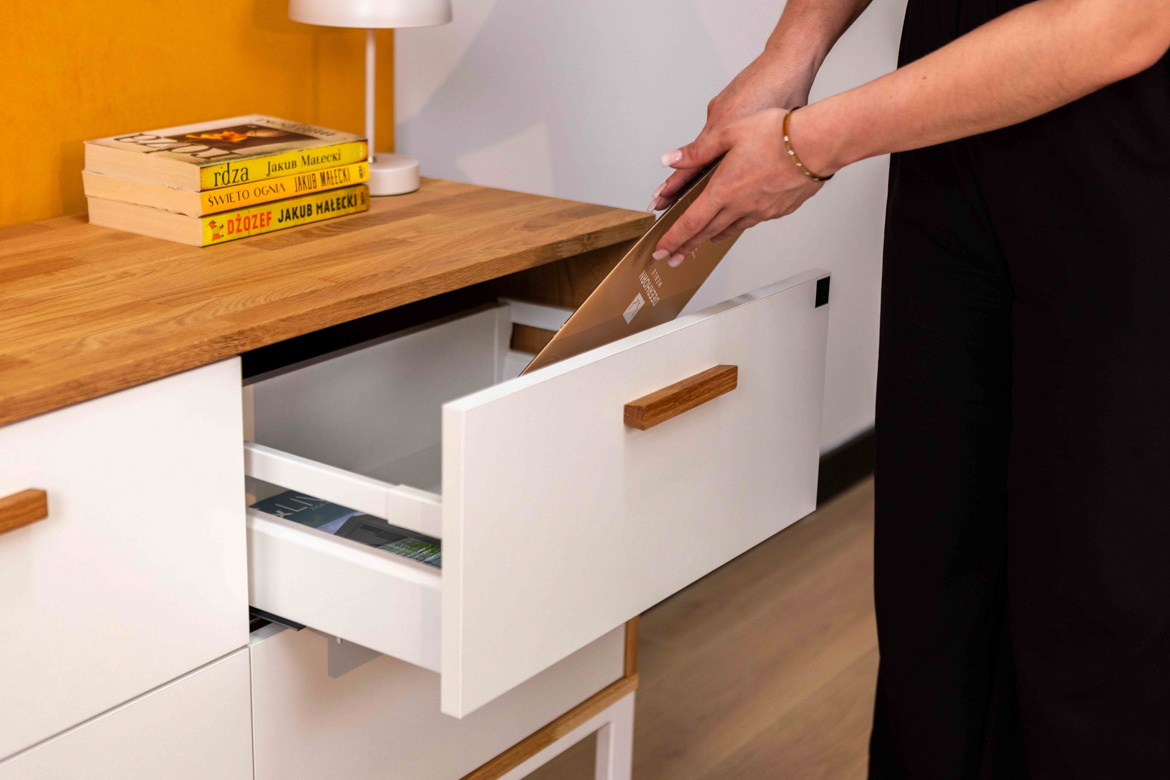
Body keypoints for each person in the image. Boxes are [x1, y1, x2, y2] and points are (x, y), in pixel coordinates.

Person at [648, 0, 1170, 777]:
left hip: (1128, 135)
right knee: (932, 567)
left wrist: (804, 145)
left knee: (1101, 588)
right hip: (952, 118)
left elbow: (1123, 19)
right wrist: (790, 50)